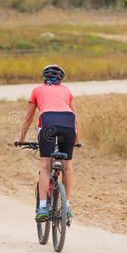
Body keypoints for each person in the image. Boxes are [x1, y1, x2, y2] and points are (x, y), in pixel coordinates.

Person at [17, 65, 80, 222]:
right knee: (67, 166)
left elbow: (28, 118)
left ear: (44, 79)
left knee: (45, 166)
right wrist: (77, 141)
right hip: (68, 124)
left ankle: (43, 207)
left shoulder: (37, 90)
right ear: (60, 80)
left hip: (48, 123)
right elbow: (75, 118)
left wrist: (22, 139)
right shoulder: (66, 90)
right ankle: (66, 206)